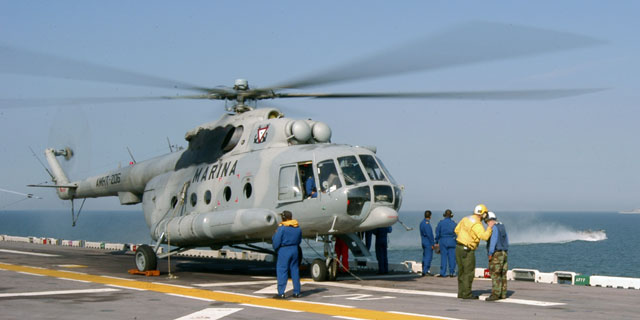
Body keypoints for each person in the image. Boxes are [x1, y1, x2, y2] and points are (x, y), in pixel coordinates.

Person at [454, 204, 495, 299]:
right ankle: (467, 294)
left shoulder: (466, 218)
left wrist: (466, 235)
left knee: (461, 272)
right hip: (467, 250)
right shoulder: (477, 224)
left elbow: (456, 230)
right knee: (468, 272)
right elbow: (484, 237)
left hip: (458, 247)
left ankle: (461, 293)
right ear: (483, 214)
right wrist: (490, 227)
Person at [272, 210, 302, 299]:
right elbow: (299, 240)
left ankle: (281, 293)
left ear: (283, 217)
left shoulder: (282, 228)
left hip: (284, 250)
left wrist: (276, 248)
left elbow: (276, 241)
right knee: (295, 270)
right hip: (295, 249)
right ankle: (297, 292)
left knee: (282, 270)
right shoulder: (297, 227)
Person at [485, 211, 509, 301]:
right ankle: (503, 294)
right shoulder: (502, 226)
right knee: (503, 274)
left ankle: (495, 294)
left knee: (495, 274)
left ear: (490, 220)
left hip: (496, 253)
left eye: (487, 221)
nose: (487, 223)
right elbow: (507, 240)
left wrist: (490, 253)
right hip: (504, 253)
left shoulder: (494, 228)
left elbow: (493, 241)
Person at [435, 209, 457, 277]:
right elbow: (457, 233)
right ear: (451, 216)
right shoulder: (454, 223)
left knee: (443, 257)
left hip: (443, 241)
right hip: (452, 241)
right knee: (452, 258)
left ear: (445, 215)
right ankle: (452, 273)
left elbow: (437, 233)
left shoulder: (440, 223)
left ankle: (443, 273)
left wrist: (436, 241)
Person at [419, 210, 435, 276]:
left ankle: (424, 270)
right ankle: (425, 271)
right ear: (430, 216)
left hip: (423, 241)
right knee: (428, 257)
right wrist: (432, 244)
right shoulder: (427, 224)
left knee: (425, 256)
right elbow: (429, 234)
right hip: (428, 242)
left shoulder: (422, 223)